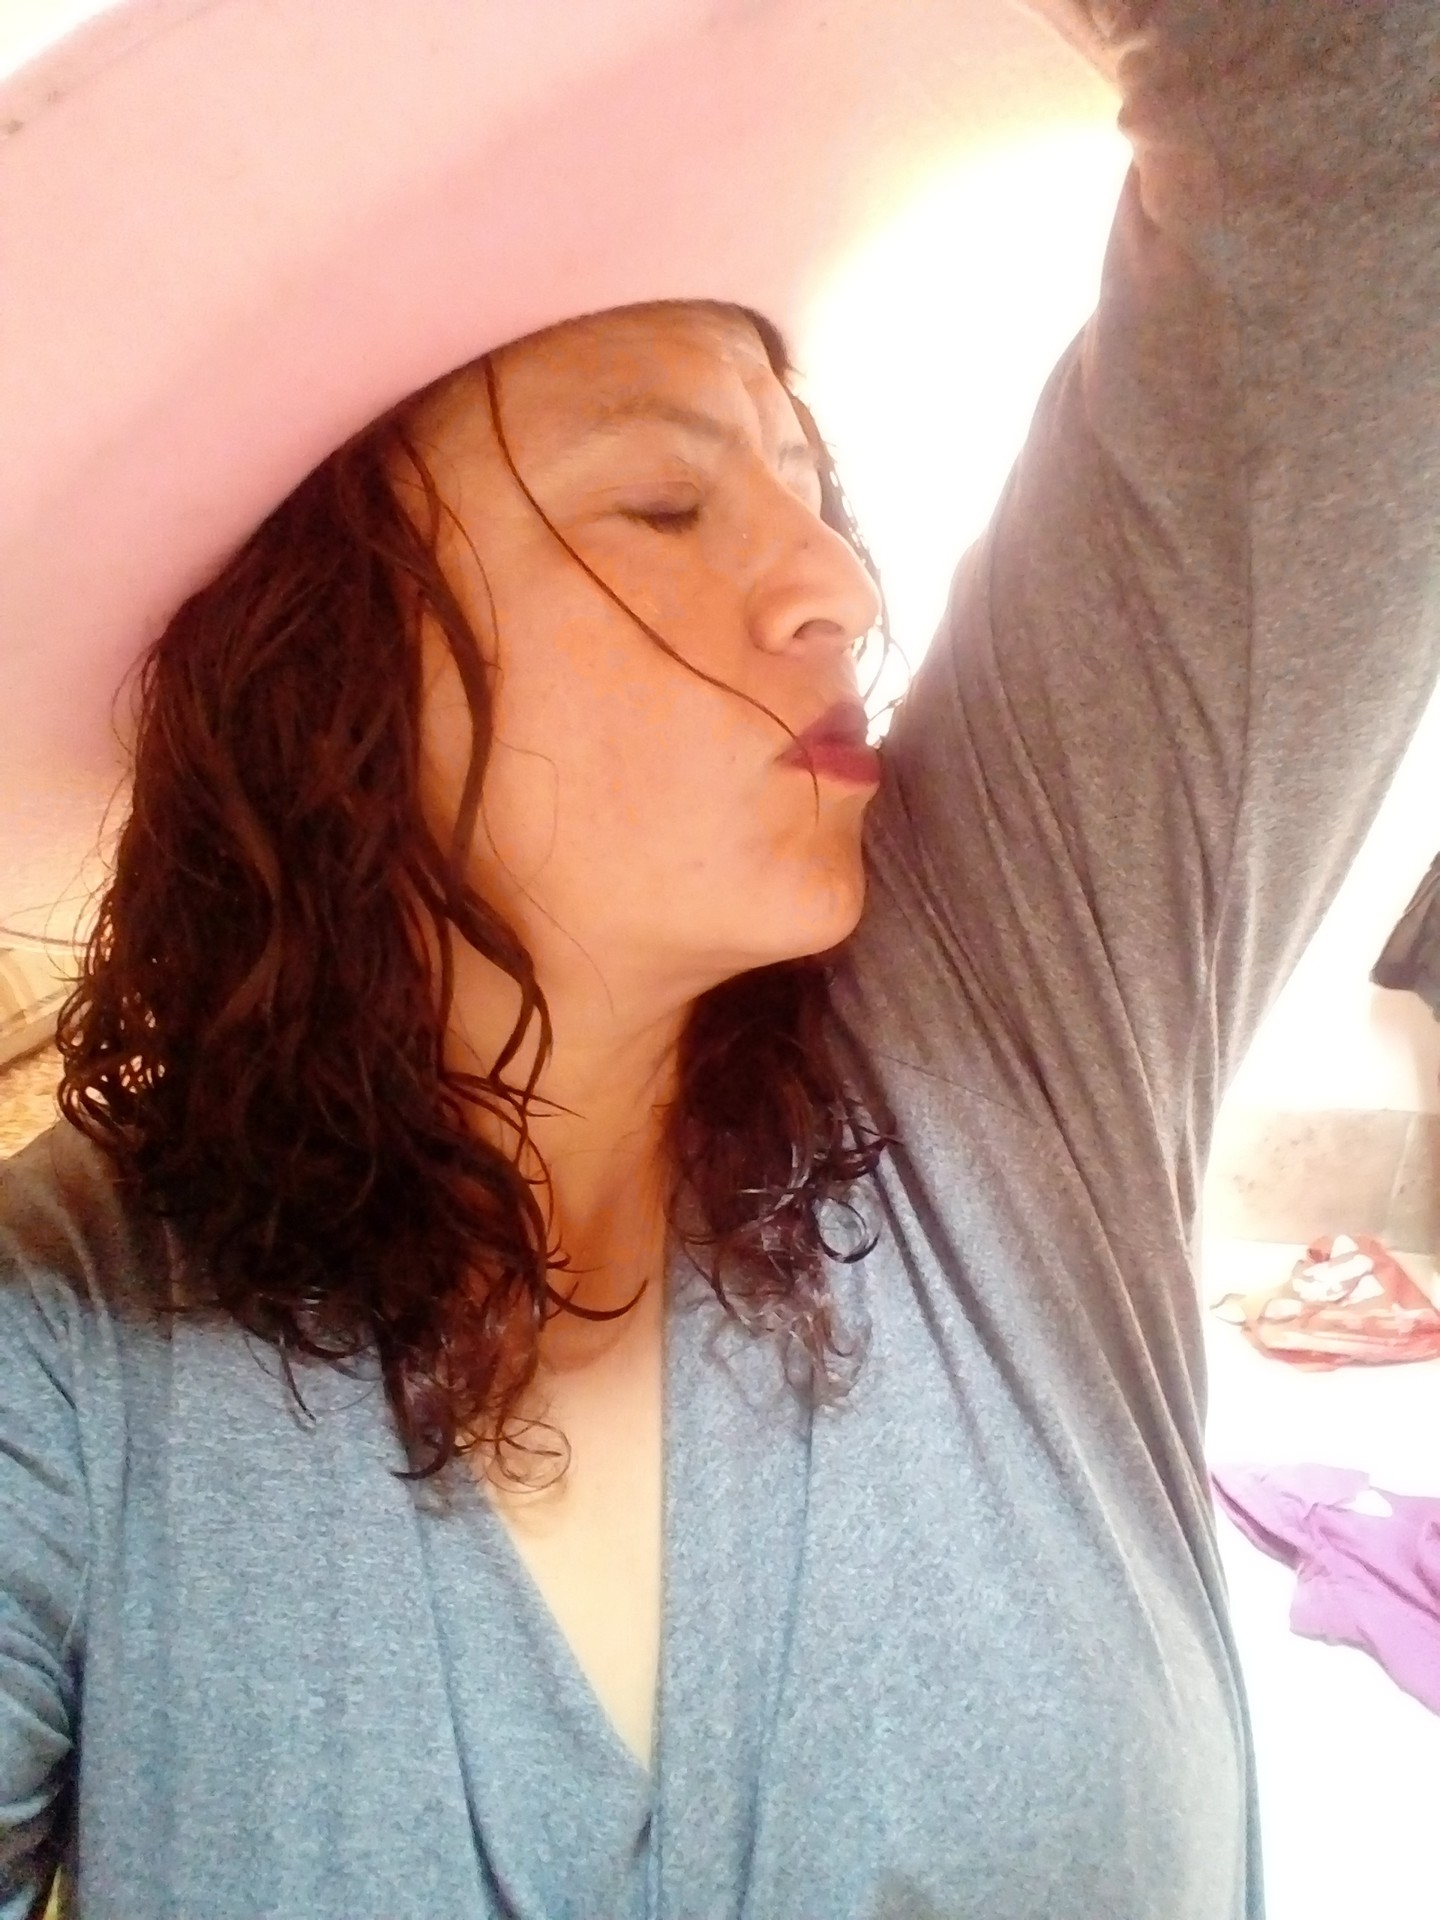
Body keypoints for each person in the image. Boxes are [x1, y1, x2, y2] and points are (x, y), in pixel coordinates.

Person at [1, 1, 1435, 1916]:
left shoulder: (1015, 1006)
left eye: (807, 487)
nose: (836, 585)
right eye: (665, 504)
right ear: (327, 679)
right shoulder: (65, 1343)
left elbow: (1368, 116)